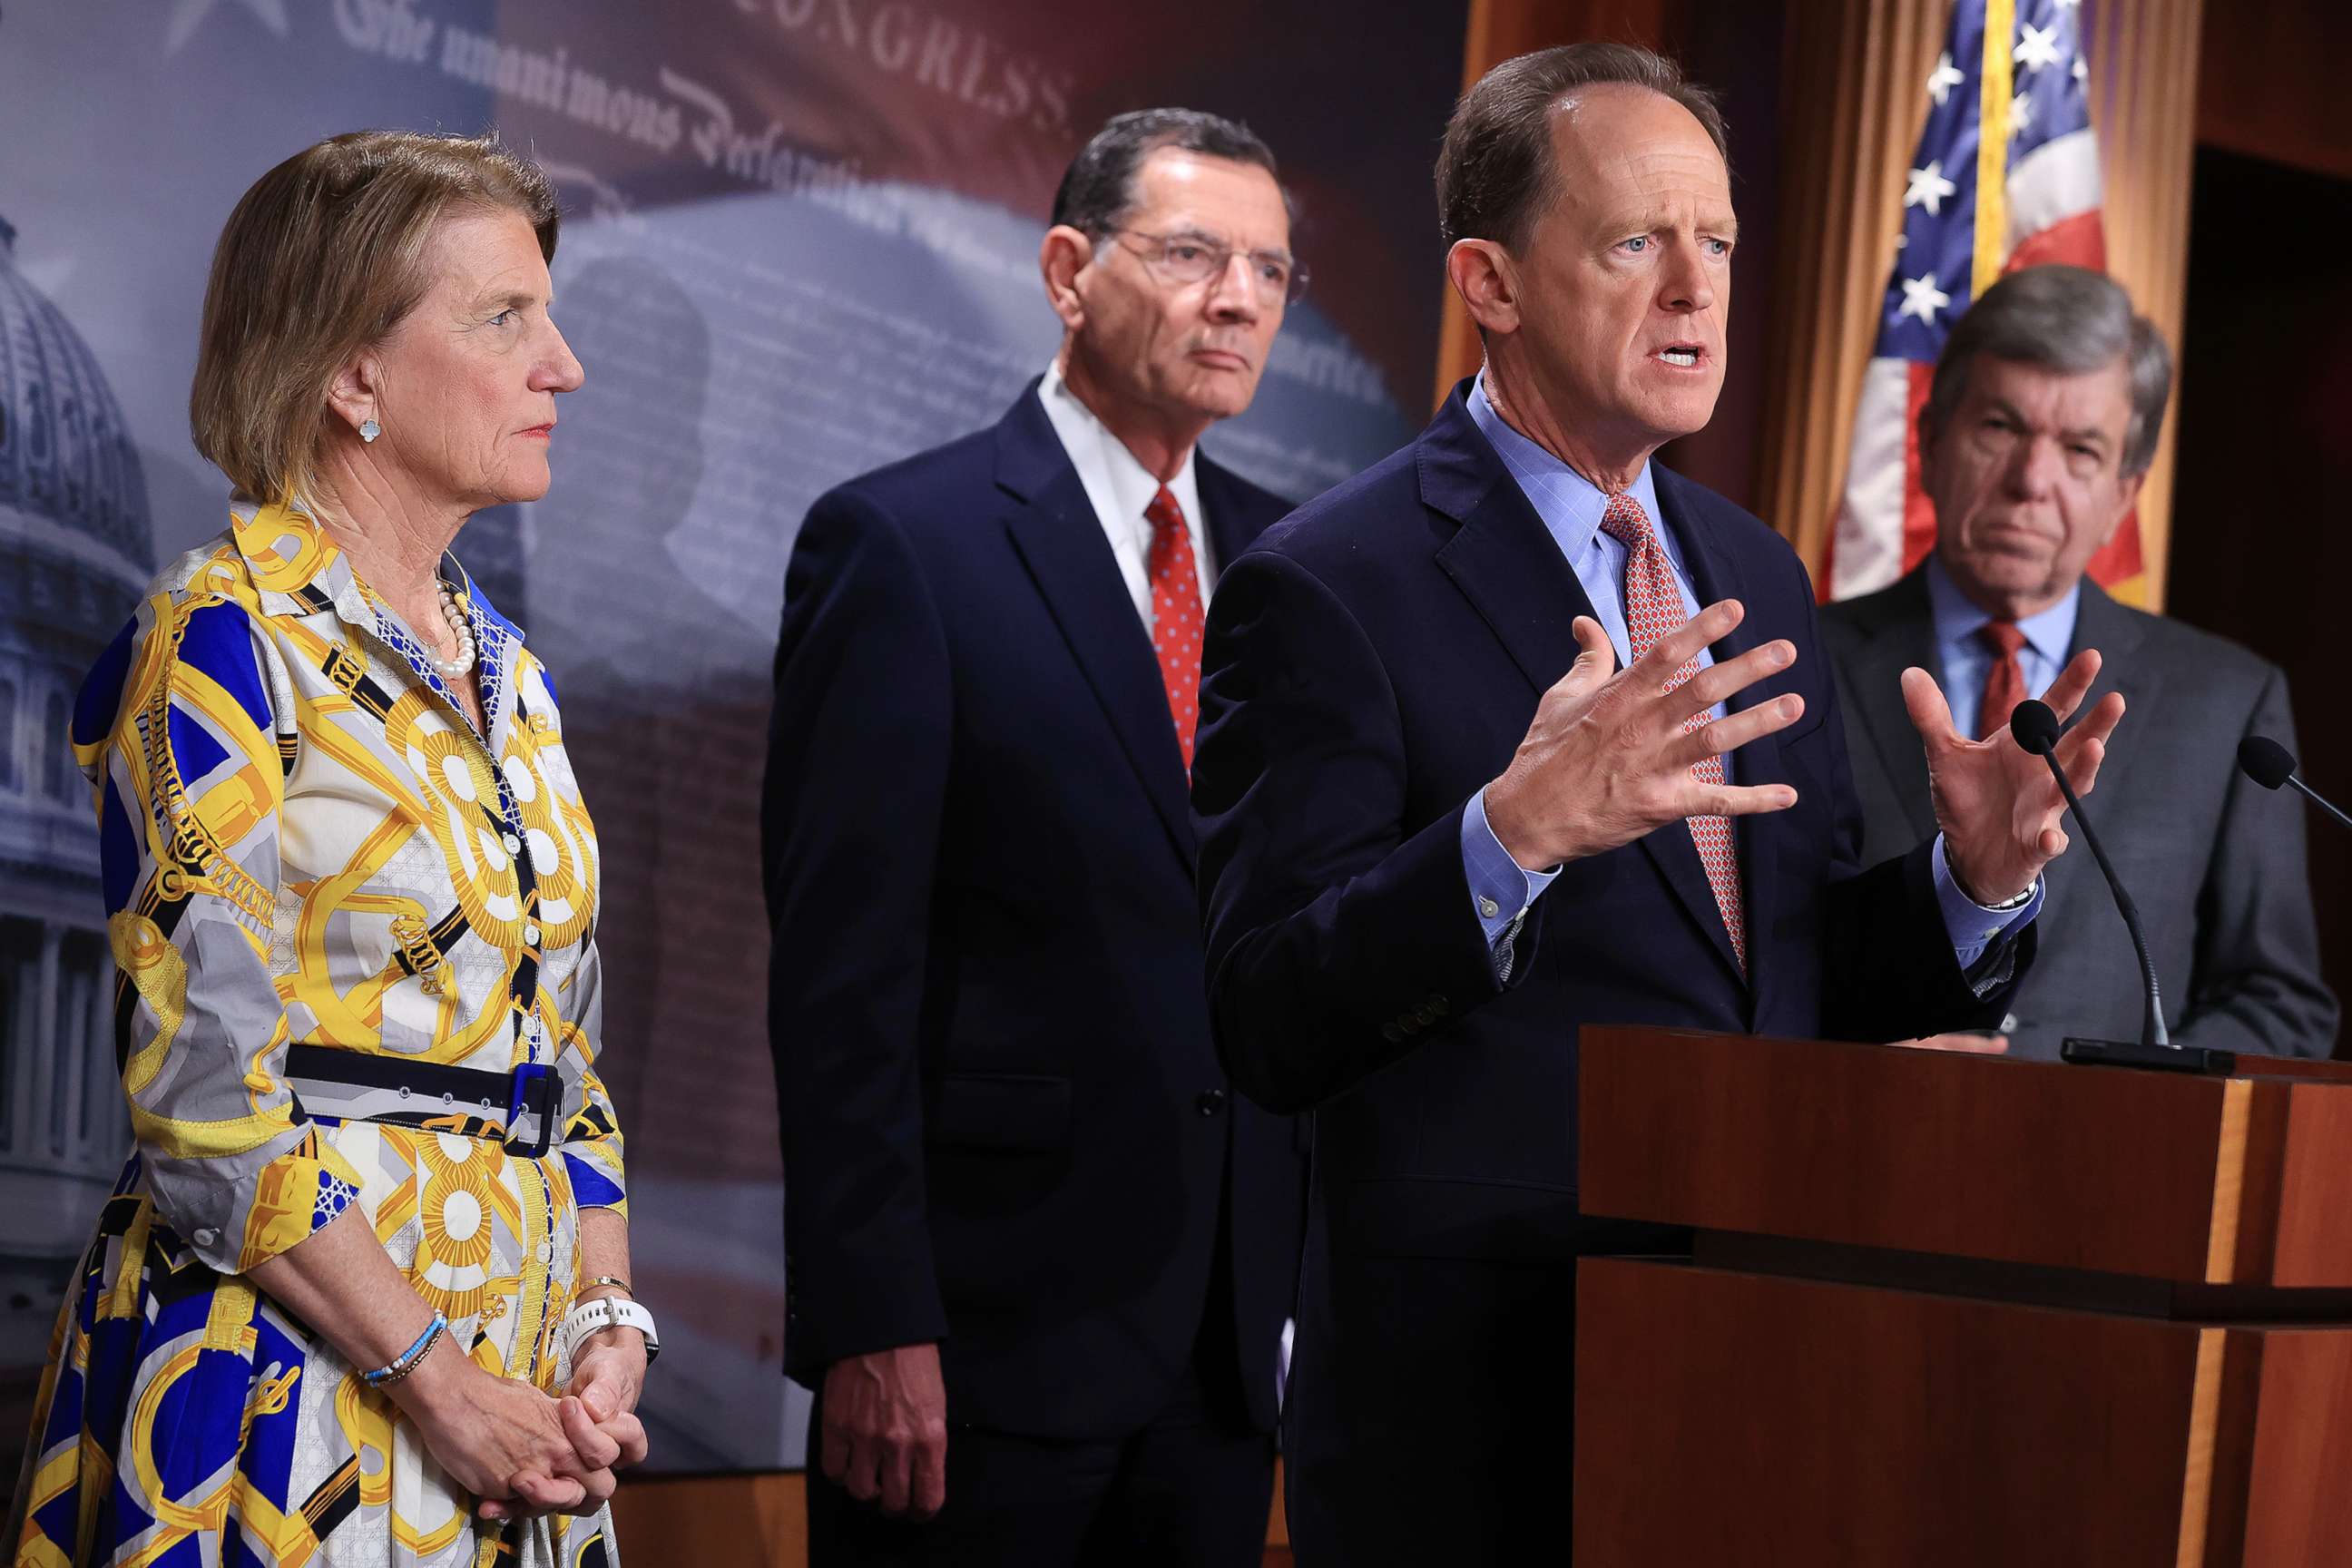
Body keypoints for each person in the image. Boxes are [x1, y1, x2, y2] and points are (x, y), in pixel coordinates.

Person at [1189, 44, 2127, 1563]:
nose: (1697, 290)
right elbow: (1265, 1013)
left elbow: (1783, 981)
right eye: (1637, 242)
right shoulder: (1327, 583)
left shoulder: (1752, 570)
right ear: (1488, 281)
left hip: (1746, 1368)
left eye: (1719, 244)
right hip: (1472, 1404)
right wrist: (1512, 834)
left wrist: (1967, 883)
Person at [6, 131, 651, 1567]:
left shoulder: (516, 678)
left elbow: (568, 1071)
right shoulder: (215, 647)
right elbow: (206, 1101)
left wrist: (608, 1324)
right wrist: (436, 1377)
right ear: (350, 376)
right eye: (505, 319)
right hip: (295, 1387)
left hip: (525, 1400)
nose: (565, 365)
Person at [763, 109, 1308, 1564]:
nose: (1240, 298)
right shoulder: (904, 545)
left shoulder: (1293, 565)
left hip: (1222, 1356)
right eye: (1193, 253)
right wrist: (874, 1320)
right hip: (981, 1350)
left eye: (1269, 269)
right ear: (1069, 270)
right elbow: (841, 979)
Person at [1822, 265, 2335, 1059]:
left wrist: (2113, 1108)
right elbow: (1744, 962)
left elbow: (2279, 1007)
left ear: (2123, 497)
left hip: (2109, 1172)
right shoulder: (1798, 663)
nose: (2032, 482)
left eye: (2081, 450)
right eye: (2000, 427)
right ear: (1929, 441)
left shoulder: (2228, 702)